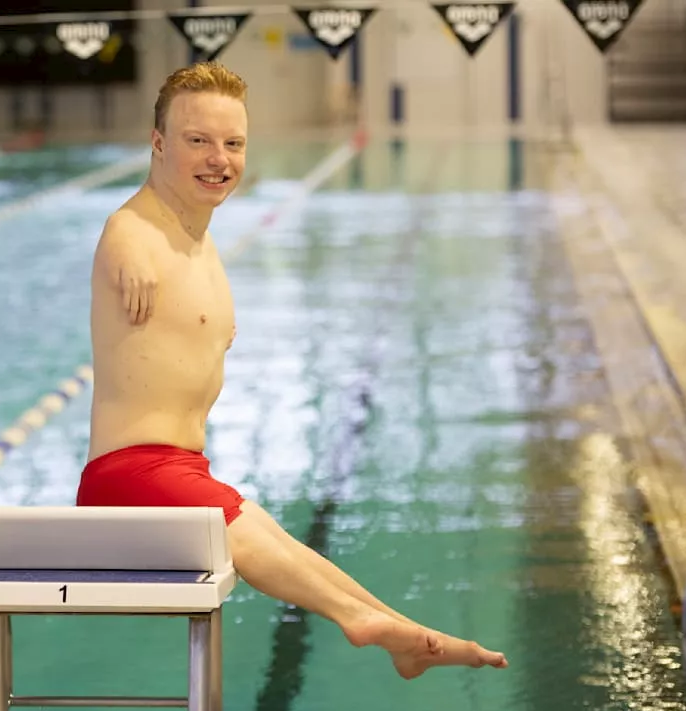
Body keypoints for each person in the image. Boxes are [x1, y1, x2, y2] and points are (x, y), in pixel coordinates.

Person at [77, 61, 507, 679]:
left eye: (233, 143)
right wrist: (124, 250)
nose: (217, 158)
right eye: (198, 140)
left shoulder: (201, 242)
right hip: (127, 478)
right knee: (259, 533)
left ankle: (401, 633)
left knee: (280, 540)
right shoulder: (133, 230)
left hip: (181, 470)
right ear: (158, 143)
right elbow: (120, 235)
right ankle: (368, 624)